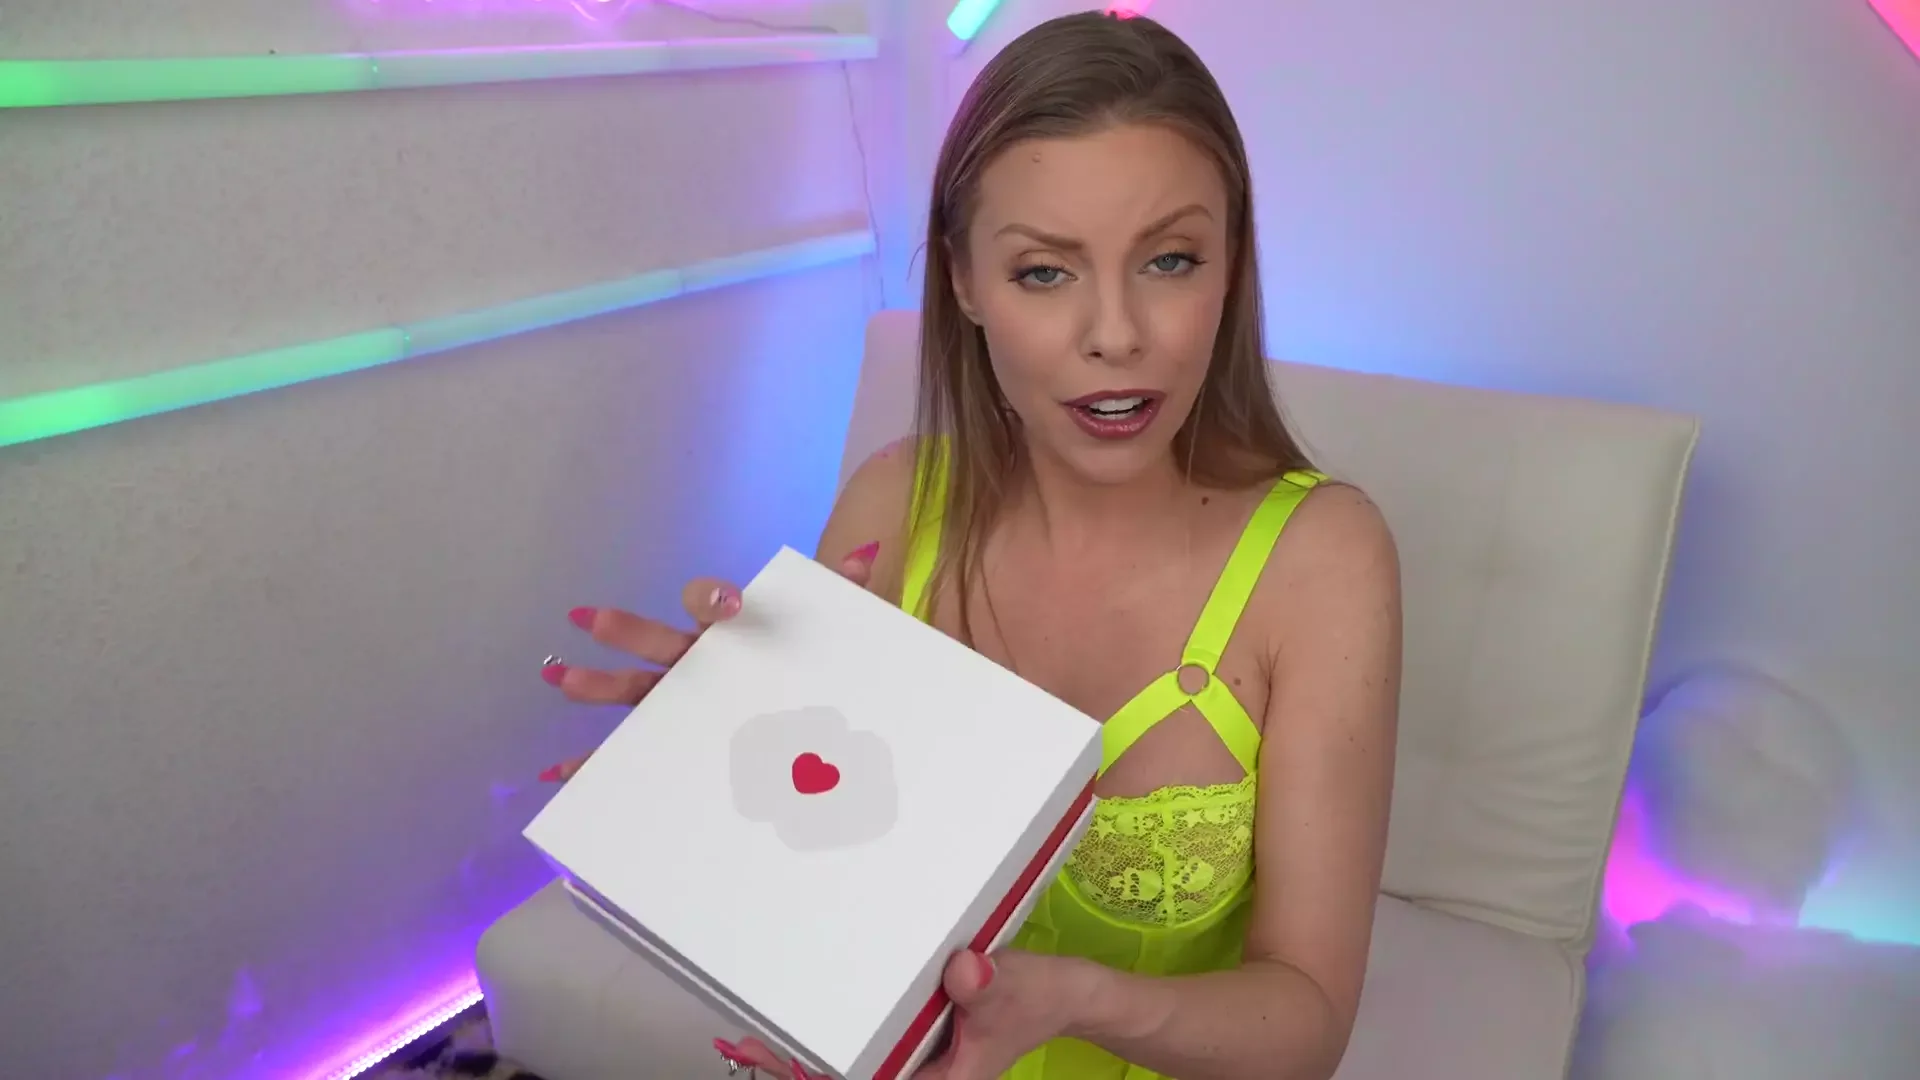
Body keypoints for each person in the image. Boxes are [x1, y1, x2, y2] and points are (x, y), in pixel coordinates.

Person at [537, 10, 1401, 1080]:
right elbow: (827, 898)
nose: (1117, 334)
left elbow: (1308, 1018)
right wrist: (715, 772)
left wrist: (1076, 1002)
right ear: (962, 280)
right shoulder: (892, 506)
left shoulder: (1322, 559)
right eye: (1045, 272)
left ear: (1231, 266)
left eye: (1170, 260)